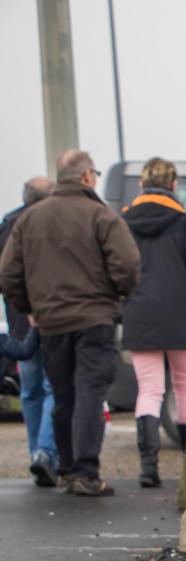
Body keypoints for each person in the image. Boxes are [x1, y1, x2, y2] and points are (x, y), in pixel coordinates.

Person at [0, 150, 140, 497]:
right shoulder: (101, 216)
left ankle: (65, 469)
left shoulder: (30, 219)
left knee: (63, 396)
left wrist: (27, 307)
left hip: (51, 324)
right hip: (94, 320)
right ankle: (86, 473)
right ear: (86, 176)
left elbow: (8, 272)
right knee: (90, 394)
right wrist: (116, 299)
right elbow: (128, 266)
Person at [121, 157, 186, 487]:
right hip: (181, 317)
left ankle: (149, 468)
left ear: (141, 186)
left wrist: (125, 307)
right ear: (174, 185)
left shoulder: (123, 224)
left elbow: (116, 272)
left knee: (149, 390)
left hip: (139, 317)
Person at [0, 176, 58, 486]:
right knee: (52, 387)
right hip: (48, 316)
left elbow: (5, 274)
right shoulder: (49, 223)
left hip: (19, 320)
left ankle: (36, 449)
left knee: (30, 390)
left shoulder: (8, 223)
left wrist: (20, 307)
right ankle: (46, 452)